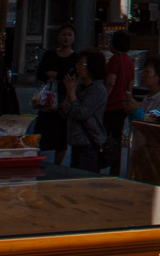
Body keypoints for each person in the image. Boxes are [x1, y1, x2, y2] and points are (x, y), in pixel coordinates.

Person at [33, 23, 78, 156]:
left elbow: (71, 79)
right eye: (63, 34)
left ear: (74, 38)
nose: (66, 38)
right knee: (41, 131)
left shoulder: (75, 58)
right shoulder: (50, 55)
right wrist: (56, 76)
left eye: (69, 35)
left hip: (63, 97)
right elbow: (41, 73)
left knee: (61, 135)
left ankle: (58, 163)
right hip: (47, 97)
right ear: (58, 37)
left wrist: (53, 74)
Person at [62, 48, 108, 171]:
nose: (78, 67)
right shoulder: (80, 86)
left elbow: (80, 113)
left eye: (82, 64)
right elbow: (65, 110)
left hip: (89, 144)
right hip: (76, 143)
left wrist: (72, 94)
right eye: (78, 63)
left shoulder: (97, 89)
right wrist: (69, 92)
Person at [103, 30, 135, 172]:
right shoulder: (129, 60)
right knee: (117, 137)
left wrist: (103, 98)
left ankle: (105, 162)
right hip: (122, 104)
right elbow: (130, 84)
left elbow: (111, 81)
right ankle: (115, 169)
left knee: (108, 137)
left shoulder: (115, 59)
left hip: (112, 104)